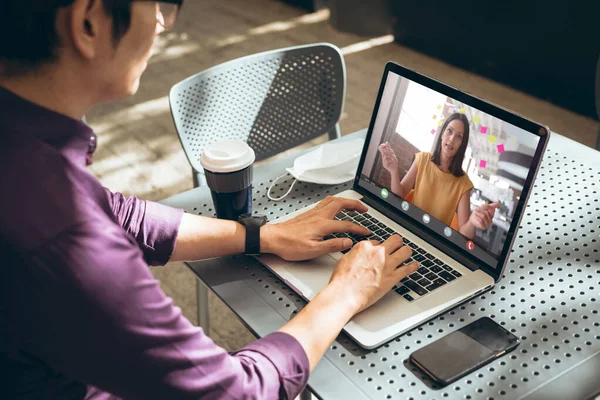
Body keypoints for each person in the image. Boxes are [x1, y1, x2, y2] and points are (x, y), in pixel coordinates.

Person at [0, 1, 420, 399]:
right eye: (159, 3)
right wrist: (346, 292)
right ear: (88, 22)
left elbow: (119, 214)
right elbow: (237, 392)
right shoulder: (61, 231)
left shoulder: (29, 156)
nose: (163, 22)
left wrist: (264, 234)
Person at [378, 112, 498, 239]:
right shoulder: (423, 159)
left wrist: (472, 222)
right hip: (407, 229)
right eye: (449, 131)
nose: (451, 139)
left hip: (435, 241)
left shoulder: (463, 183)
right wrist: (393, 171)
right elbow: (399, 194)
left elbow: (464, 234)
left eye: (458, 137)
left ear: (462, 144)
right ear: (442, 134)